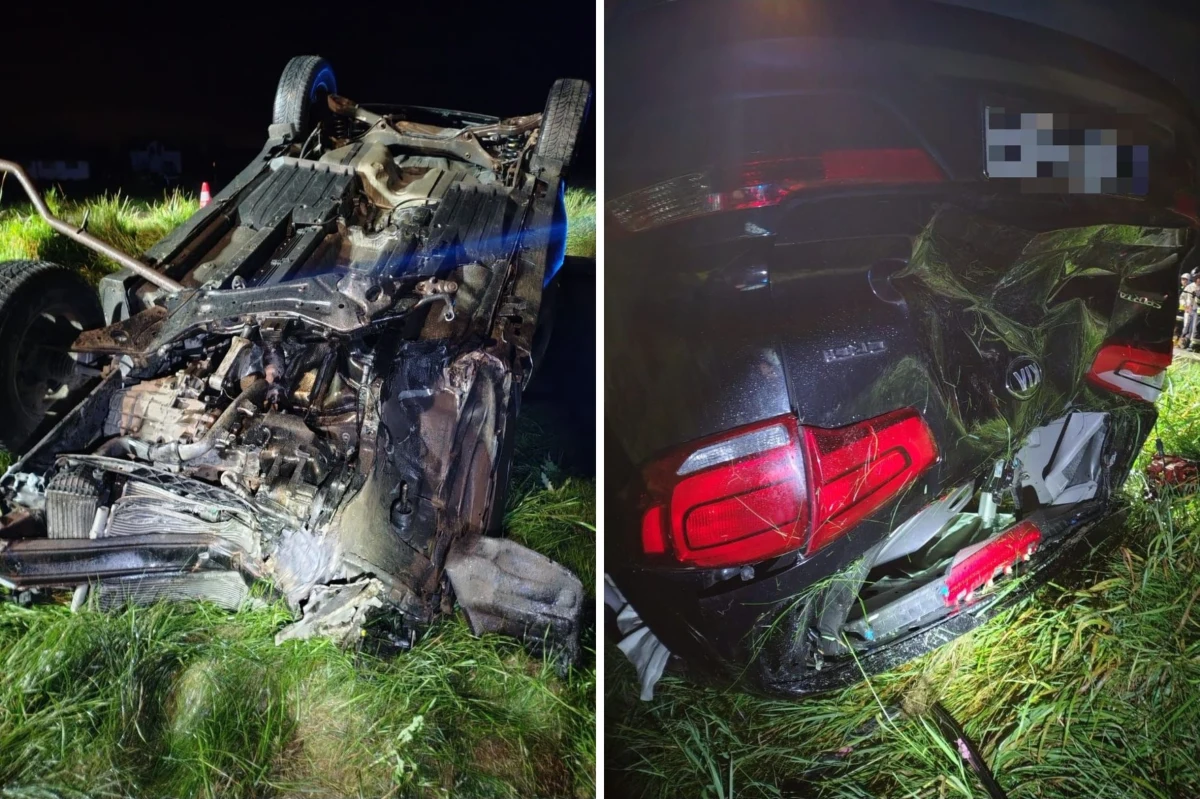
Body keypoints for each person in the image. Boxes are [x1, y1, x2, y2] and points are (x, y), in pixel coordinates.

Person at [1184, 274, 1200, 350]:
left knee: (1195, 327)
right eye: (1198, 278)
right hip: (1192, 309)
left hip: (1198, 311)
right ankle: (1185, 342)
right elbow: (1184, 297)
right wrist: (1186, 306)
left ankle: (1193, 345)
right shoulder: (1190, 287)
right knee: (1188, 326)